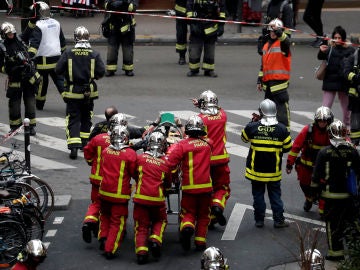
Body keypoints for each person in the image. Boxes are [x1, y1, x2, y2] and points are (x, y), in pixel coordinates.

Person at [310, 120, 360, 261]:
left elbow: (316, 175)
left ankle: (335, 253)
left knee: (333, 225)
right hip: (349, 197)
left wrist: (313, 194)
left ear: (330, 134)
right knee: (351, 223)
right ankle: (355, 251)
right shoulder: (352, 151)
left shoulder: (324, 152)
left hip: (330, 196)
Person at [55, 26, 105, 160]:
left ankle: (73, 146)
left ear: (75, 38)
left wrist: (68, 74)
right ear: (88, 37)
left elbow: (58, 70)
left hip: (73, 92)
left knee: (73, 119)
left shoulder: (68, 53)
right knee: (86, 117)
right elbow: (101, 72)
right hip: (89, 92)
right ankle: (84, 143)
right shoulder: (94, 54)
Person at [241, 99, 292, 228]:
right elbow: (288, 147)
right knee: (275, 197)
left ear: (261, 111)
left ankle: (259, 220)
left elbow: (244, 138)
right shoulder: (282, 129)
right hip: (273, 172)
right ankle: (278, 220)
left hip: (255, 172)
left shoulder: (252, 127)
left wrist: (252, 122)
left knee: (258, 196)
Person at [166, 115, 213, 252]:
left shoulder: (182, 145)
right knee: (204, 215)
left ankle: (187, 227)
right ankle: (200, 243)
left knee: (188, 212)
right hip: (206, 187)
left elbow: (170, 163)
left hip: (189, 188)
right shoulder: (208, 144)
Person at [132, 132, 172, 265]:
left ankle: (141, 253)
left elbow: (134, 173)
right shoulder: (165, 163)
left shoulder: (140, 158)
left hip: (140, 199)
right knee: (160, 220)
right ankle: (155, 240)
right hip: (157, 200)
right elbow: (168, 183)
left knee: (141, 226)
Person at [192, 90, 230, 227]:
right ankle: (217, 207)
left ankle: (210, 215)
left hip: (205, 160)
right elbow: (217, 109)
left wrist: (200, 106)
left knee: (208, 188)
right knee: (222, 187)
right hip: (221, 158)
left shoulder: (200, 119)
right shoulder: (223, 116)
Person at [98, 125, 137, 260]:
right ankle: (110, 249)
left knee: (105, 217)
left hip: (104, 192)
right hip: (119, 196)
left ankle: (103, 238)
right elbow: (134, 172)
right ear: (125, 138)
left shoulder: (105, 151)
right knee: (117, 223)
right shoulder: (130, 153)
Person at [286, 106, 333, 213]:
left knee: (323, 188)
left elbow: (342, 140)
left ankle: (323, 211)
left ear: (329, 121)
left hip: (324, 168)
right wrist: (289, 163)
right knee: (304, 185)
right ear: (316, 120)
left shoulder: (332, 131)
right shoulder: (308, 130)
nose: (322, 123)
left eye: (325, 121)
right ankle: (309, 199)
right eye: (320, 121)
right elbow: (296, 147)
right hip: (306, 167)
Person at [0, 22, 40, 136]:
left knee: (30, 102)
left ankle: (31, 126)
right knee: (14, 104)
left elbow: (29, 30)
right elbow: (0, 66)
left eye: (12, 33)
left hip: (28, 77)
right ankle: (15, 127)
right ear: (3, 35)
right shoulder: (2, 47)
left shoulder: (20, 40)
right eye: (8, 34)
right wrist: (9, 69)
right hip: (15, 78)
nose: (11, 35)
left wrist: (34, 16)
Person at [27, 1, 66, 111]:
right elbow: (62, 42)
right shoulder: (56, 22)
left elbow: (34, 44)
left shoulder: (38, 25)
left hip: (43, 61)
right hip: (57, 59)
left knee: (42, 83)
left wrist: (28, 56)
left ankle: (39, 104)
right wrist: (64, 55)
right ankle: (70, 101)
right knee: (61, 82)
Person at [318, 25, 355, 130]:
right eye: (335, 37)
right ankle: (322, 127)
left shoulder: (350, 50)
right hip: (330, 81)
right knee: (325, 108)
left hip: (344, 83)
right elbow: (320, 57)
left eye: (339, 38)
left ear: (343, 38)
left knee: (347, 110)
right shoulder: (330, 48)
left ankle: (347, 128)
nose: (337, 40)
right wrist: (321, 50)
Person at [257, 18, 291, 130]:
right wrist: (260, 79)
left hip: (279, 85)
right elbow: (263, 65)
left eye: (274, 31)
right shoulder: (266, 46)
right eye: (271, 31)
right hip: (268, 86)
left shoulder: (282, 44)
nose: (272, 33)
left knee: (281, 114)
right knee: (266, 112)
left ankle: (285, 133)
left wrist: (278, 31)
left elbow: (287, 41)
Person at [186, 0, 226, 78]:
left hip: (211, 26)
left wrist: (221, 24)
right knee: (194, 49)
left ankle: (209, 70)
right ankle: (193, 70)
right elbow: (189, 7)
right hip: (197, 25)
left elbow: (222, 9)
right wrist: (191, 22)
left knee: (210, 50)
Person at [103, 0, 137, 77]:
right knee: (112, 49)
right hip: (113, 26)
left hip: (127, 27)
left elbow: (133, 7)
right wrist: (111, 4)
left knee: (127, 49)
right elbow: (105, 5)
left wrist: (123, 3)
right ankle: (110, 69)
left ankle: (128, 69)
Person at [343, 45, 360, 146]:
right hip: (356, 97)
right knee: (355, 121)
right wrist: (356, 77)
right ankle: (354, 142)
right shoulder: (354, 58)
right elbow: (345, 73)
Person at [175, 0, 188, 65]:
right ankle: (182, 56)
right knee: (181, 34)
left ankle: (194, 57)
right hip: (181, 11)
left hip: (195, 11)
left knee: (196, 34)